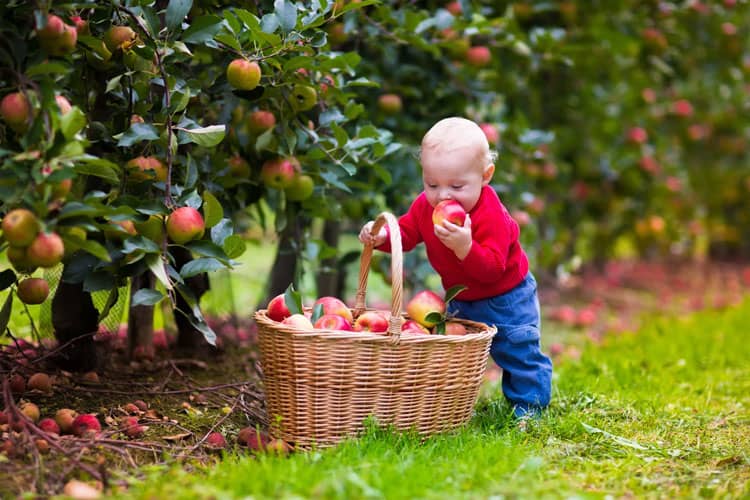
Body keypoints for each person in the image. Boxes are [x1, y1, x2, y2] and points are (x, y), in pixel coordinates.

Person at [359, 117, 552, 419]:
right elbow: (407, 233)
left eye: (457, 186)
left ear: (485, 176)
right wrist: (380, 237)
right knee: (459, 355)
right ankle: (454, 407)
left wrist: (465, 247)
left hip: (507, 297)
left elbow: (492, 269)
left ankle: (530, 408)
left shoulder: (491, 215)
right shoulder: (426, 206)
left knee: (517, 351)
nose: (443, 196)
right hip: (462, 298)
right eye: (432, 184)